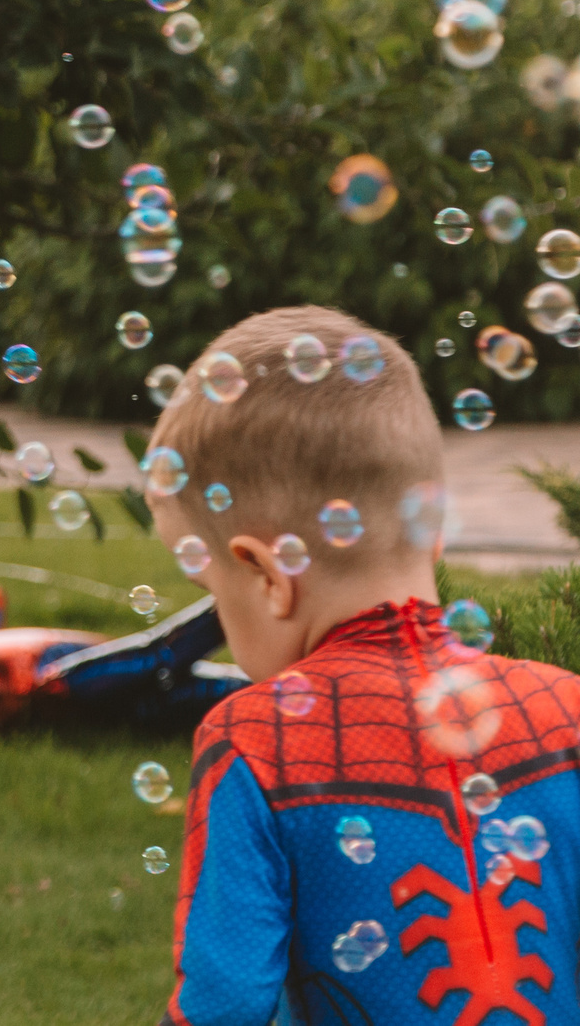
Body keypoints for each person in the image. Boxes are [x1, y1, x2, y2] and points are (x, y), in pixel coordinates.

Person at [148, 304, 580, 1026]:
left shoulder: (252, 742)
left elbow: (223, 1007)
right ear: (432, 532)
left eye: (210, 588)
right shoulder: (568, 707)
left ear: (266, 574)